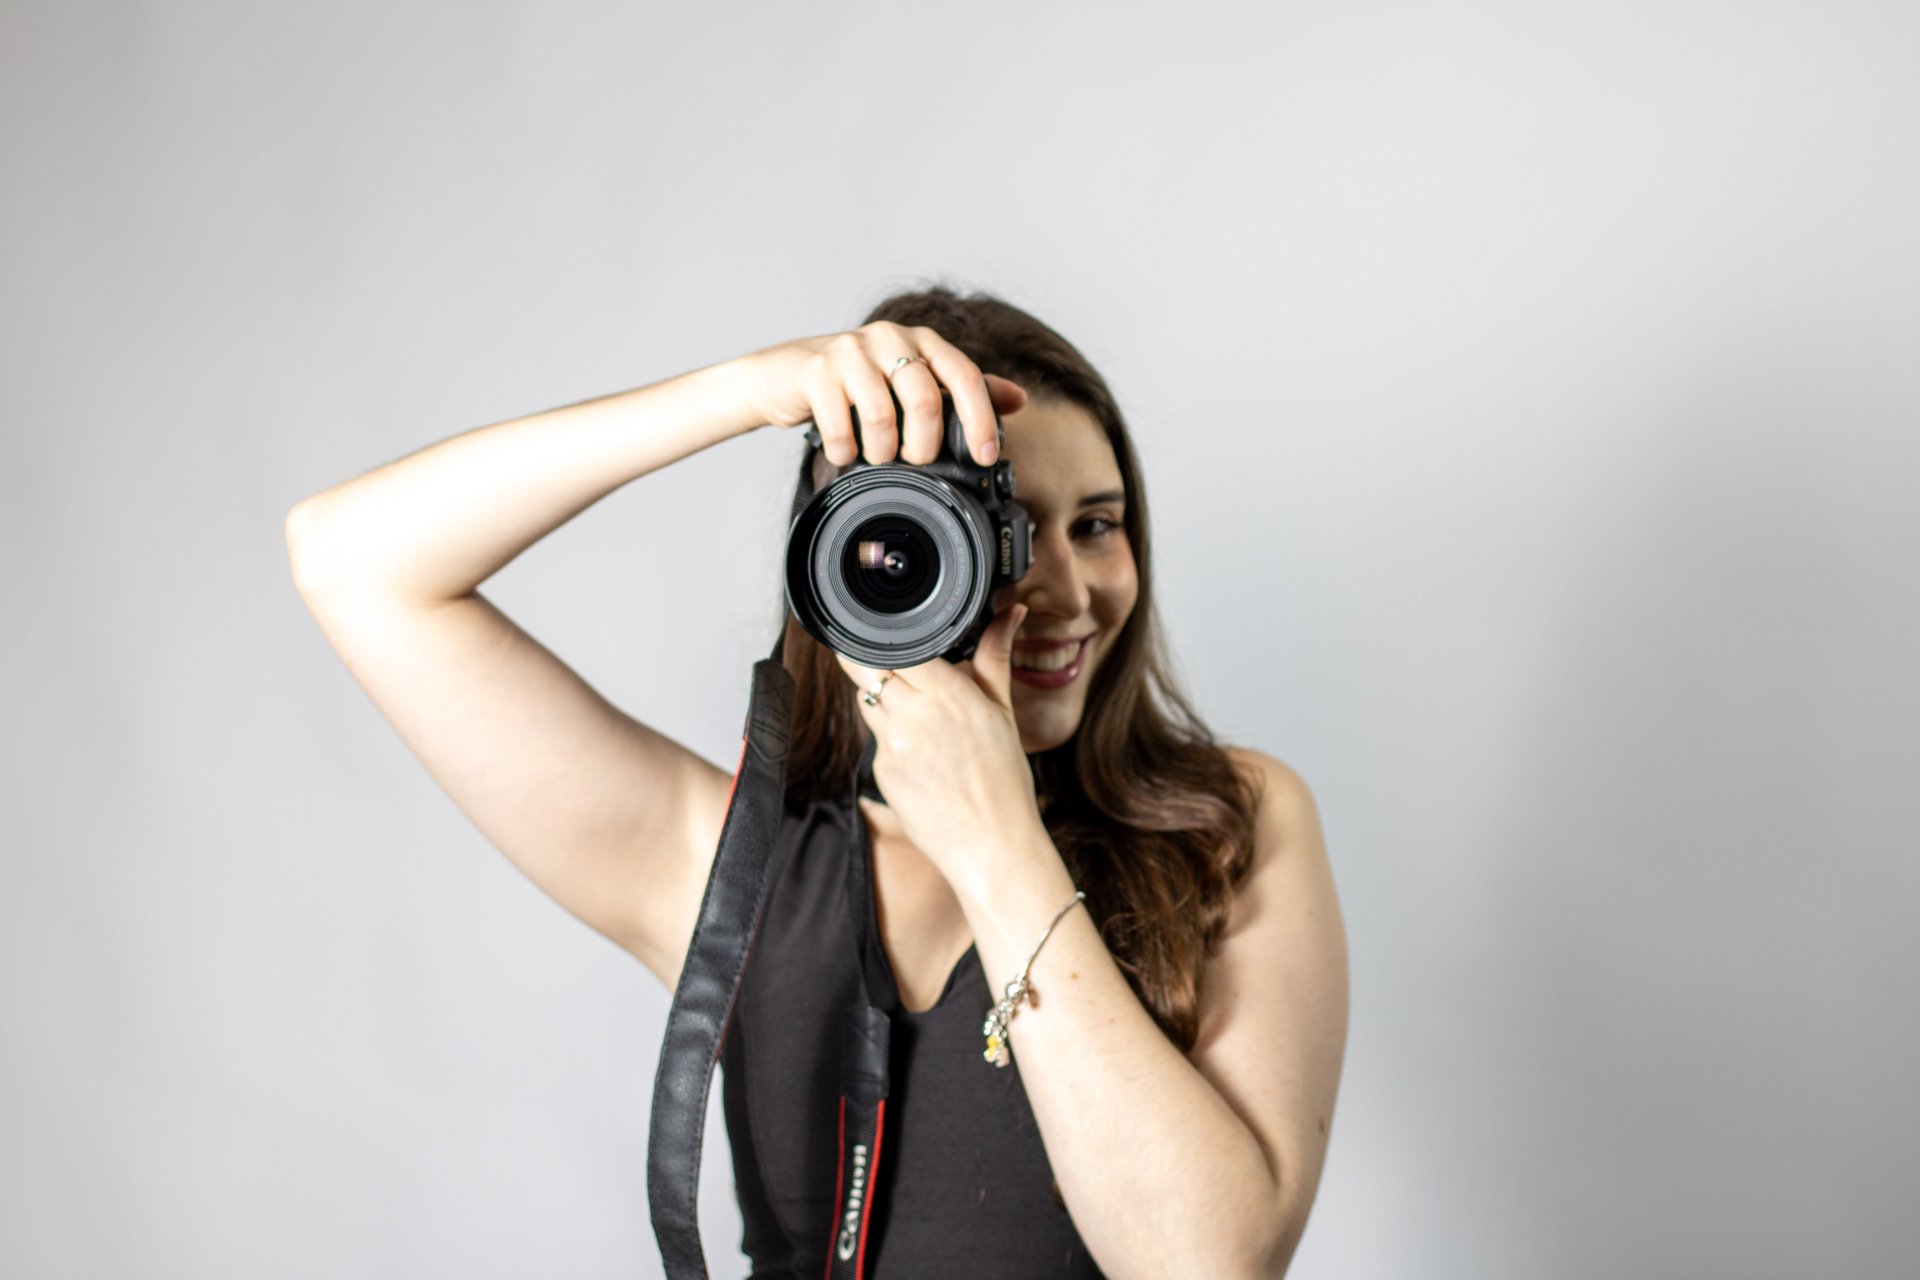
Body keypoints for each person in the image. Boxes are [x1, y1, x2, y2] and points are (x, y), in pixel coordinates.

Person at [286, 283, 1349, 1278]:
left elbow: (1206, 1260)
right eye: (1004, 530)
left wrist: (996, 842)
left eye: (1097, 524)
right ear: (866, 552)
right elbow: (351, 560)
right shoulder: (739, 868)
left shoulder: (1232, 823)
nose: (1065, 588)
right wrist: (743, 392)